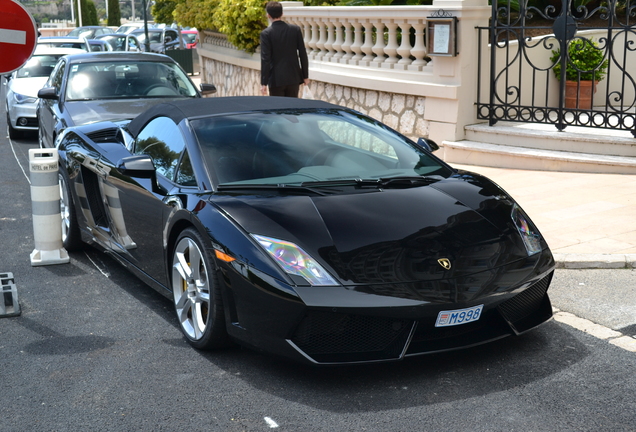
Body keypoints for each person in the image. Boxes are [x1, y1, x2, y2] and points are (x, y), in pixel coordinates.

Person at [260, 1, 309, 97]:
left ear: (268, 15)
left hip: (276, 79)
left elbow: (265, 59)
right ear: (282, 14)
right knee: (292, 109)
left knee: (278, 109)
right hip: (294, 78)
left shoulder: (266, 34)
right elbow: (303, 53)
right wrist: (305, 76)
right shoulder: (295, 30)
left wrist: (264, 83)